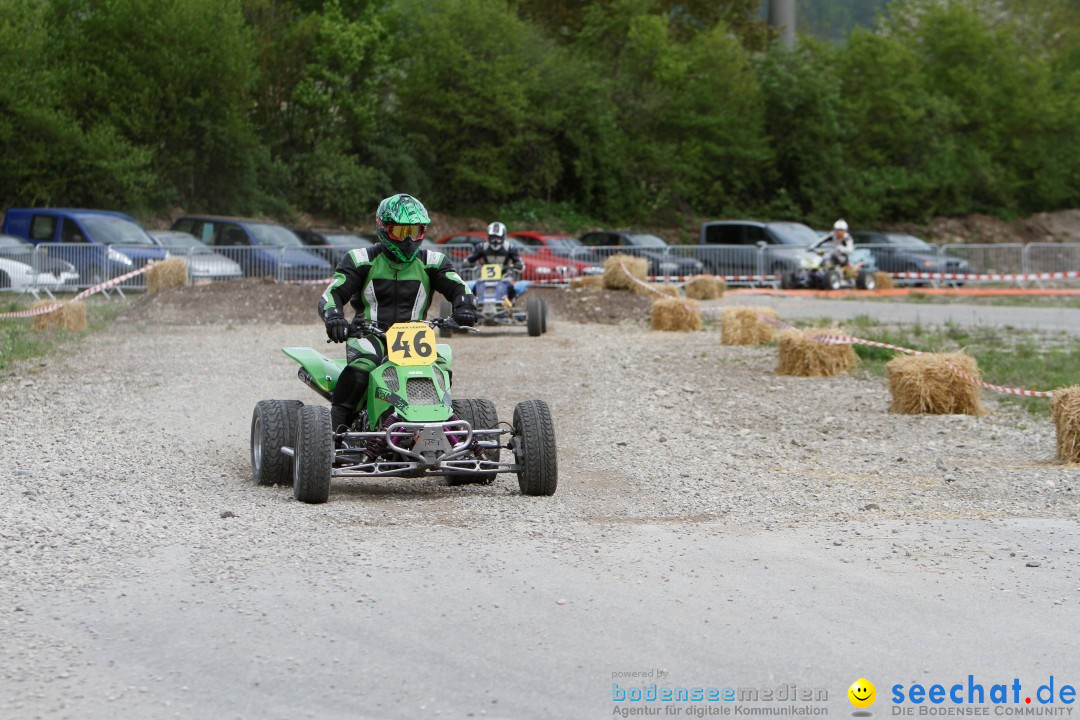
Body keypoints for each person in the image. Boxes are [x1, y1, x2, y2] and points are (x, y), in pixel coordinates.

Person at [319, 193, 477, 432]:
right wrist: (334, 318)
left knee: (440, 369)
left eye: (415, 232)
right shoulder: (360, 260)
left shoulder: (433, 261)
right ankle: (334, 431)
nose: (408, 240)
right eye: (401, 232)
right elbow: (331, 295)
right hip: (368, 334)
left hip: (416, 336)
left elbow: (460, 288)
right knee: (364, 365)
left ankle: (441, 425)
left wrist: (464, 307)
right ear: (383, 229)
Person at [466, 222, 525, 298]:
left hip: (504, 275)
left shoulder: (510, 247)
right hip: (484, 276)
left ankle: (510, 304)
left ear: (503, 236)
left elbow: (519, 262)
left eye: (497, 237)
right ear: (488, 236)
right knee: (475, 287)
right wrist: (467, 263)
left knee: (511, 288)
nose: (495, 240)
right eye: (493, 237)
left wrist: (518, 265)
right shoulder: (482, 247)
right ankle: (474, 303)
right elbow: (470, 259)